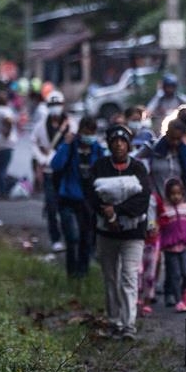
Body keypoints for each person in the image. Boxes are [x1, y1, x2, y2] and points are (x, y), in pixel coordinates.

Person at [90, 124, 152, 339]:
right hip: (106, 233)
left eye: (123, 140)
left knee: (128, 277)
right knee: (110, 278)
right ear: (109, 144)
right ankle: (114, 321)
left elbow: (142, 200)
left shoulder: (138, 168)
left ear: (128, 144)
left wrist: (115, 210)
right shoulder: (99, 167)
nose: (118, 144)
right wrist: (106, 215)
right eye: (114, 141)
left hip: (132, 234)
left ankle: (128, 325)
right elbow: (91, 197)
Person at [51, 116, 102, 279]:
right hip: (68, 198)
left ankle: (83, 273)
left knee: (86, 238)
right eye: (86, 132)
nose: (89, 136)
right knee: (72, 237)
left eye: (92, 132)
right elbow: (56, 165)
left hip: (88, 200)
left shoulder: (97, 149)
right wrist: (65, 144)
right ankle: (71, 273)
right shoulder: (70, 146)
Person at [32, 91, 77, 252]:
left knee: (68, 206)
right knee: (51, 206)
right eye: (52, 105)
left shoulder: (71, 124)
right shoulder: (40, 126)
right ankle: (55, 238)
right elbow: (34, 144)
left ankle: (70, 236)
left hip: (66, 171)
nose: (55, 108)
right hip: (49, 170)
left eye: (57, 105)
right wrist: (41, 160)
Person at [137, 118, 186, 203]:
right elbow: (134, 160)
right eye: (172, 138)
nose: (175, 142)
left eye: (178, 139)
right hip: (156, 201)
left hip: (179, 203)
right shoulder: (153, 148)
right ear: (166, 134)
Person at [158, 178, 186, 312]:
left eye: (178, 193)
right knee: (175, 274)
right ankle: (178, 301)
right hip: (169, 248)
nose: (176, 196)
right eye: (173, 194)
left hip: (184, 246)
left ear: (183, 194)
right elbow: (157, 226)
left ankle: (183, 290)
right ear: (167, 195)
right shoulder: (164, 211)